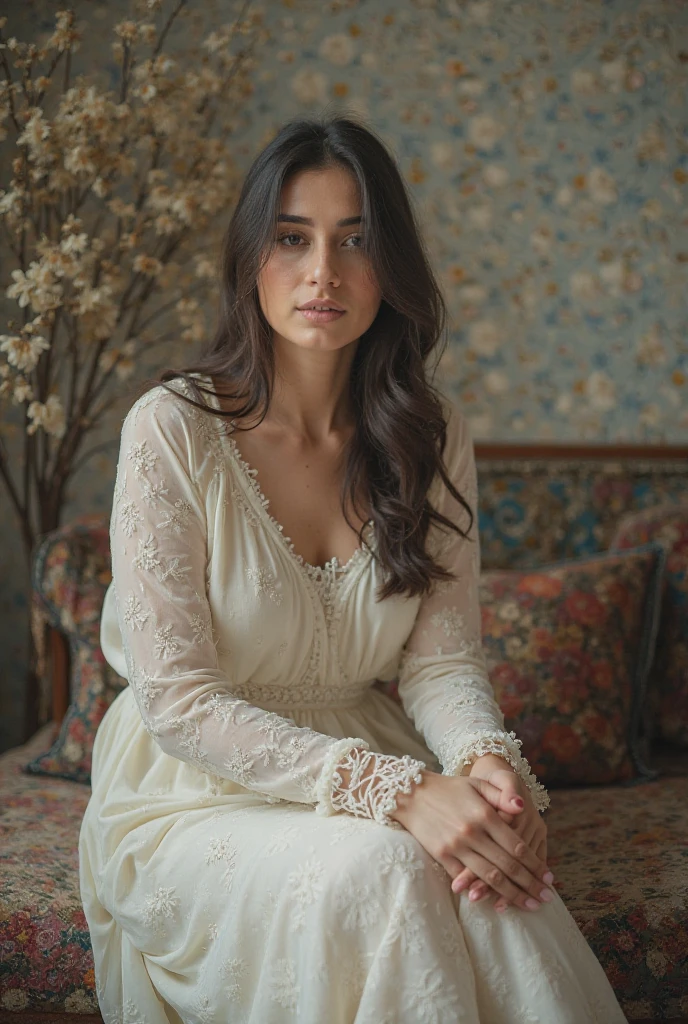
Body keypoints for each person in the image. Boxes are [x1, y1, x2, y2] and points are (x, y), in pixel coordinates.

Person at [78, 112, 627, 1023]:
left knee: (486, 882)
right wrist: (406, 790)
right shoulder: (171, 429)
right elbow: (177, 702)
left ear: (392, 268)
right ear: (252, 257)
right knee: (388, 866)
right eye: (292, 239)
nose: (322, 273)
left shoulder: (429, 432)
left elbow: (441, 661)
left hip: (374, 760)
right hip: (195, 796)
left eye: (355, 241)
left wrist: (488, 770)